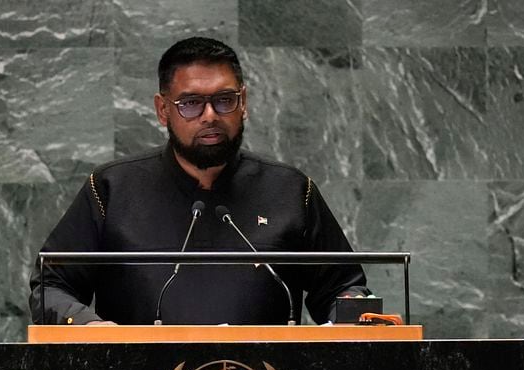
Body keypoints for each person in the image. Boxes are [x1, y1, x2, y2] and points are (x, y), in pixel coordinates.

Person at [29, 37, 369, 326]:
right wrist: (90, 327)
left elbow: (346, 289)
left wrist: (354, 313)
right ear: (163, 110)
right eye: (190, 103)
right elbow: (50, 287)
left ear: (244, 103)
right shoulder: (111, 189)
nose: (210, 116)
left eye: (224, 100)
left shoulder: (291, 190)